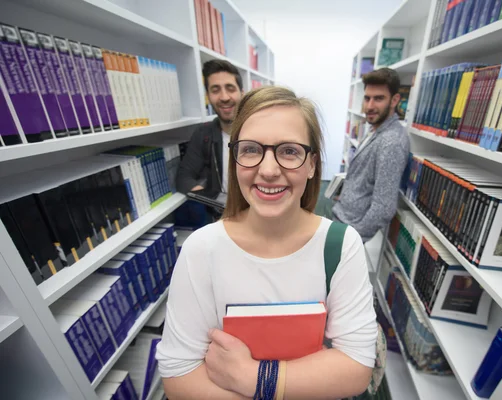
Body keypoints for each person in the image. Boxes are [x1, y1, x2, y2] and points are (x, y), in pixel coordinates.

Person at [157, 86, 378, 399]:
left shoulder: (341, 245)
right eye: (250, 150)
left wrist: (254, 378)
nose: (269, 170)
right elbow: (180, 377)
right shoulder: (202, 249)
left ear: (313, 164)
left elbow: (356, 366)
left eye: (289, 151)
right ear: (234, 159)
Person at [332, 68, 410, 242]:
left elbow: (384, 208)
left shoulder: (391, 142)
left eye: (379, 99)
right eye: (367, 98)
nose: (370, 106)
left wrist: (352, 241)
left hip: (351, 231)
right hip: (343, 219)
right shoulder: (376, 129)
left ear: (394, 100)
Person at [176, 59, 244, 195]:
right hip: (221, 213)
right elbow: (184, 178)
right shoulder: (203, 134)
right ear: (208, 96)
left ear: (242, 94)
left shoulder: (261, 131)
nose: (224, 97)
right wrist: (214, 201)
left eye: (230, 88)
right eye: (215, 90)